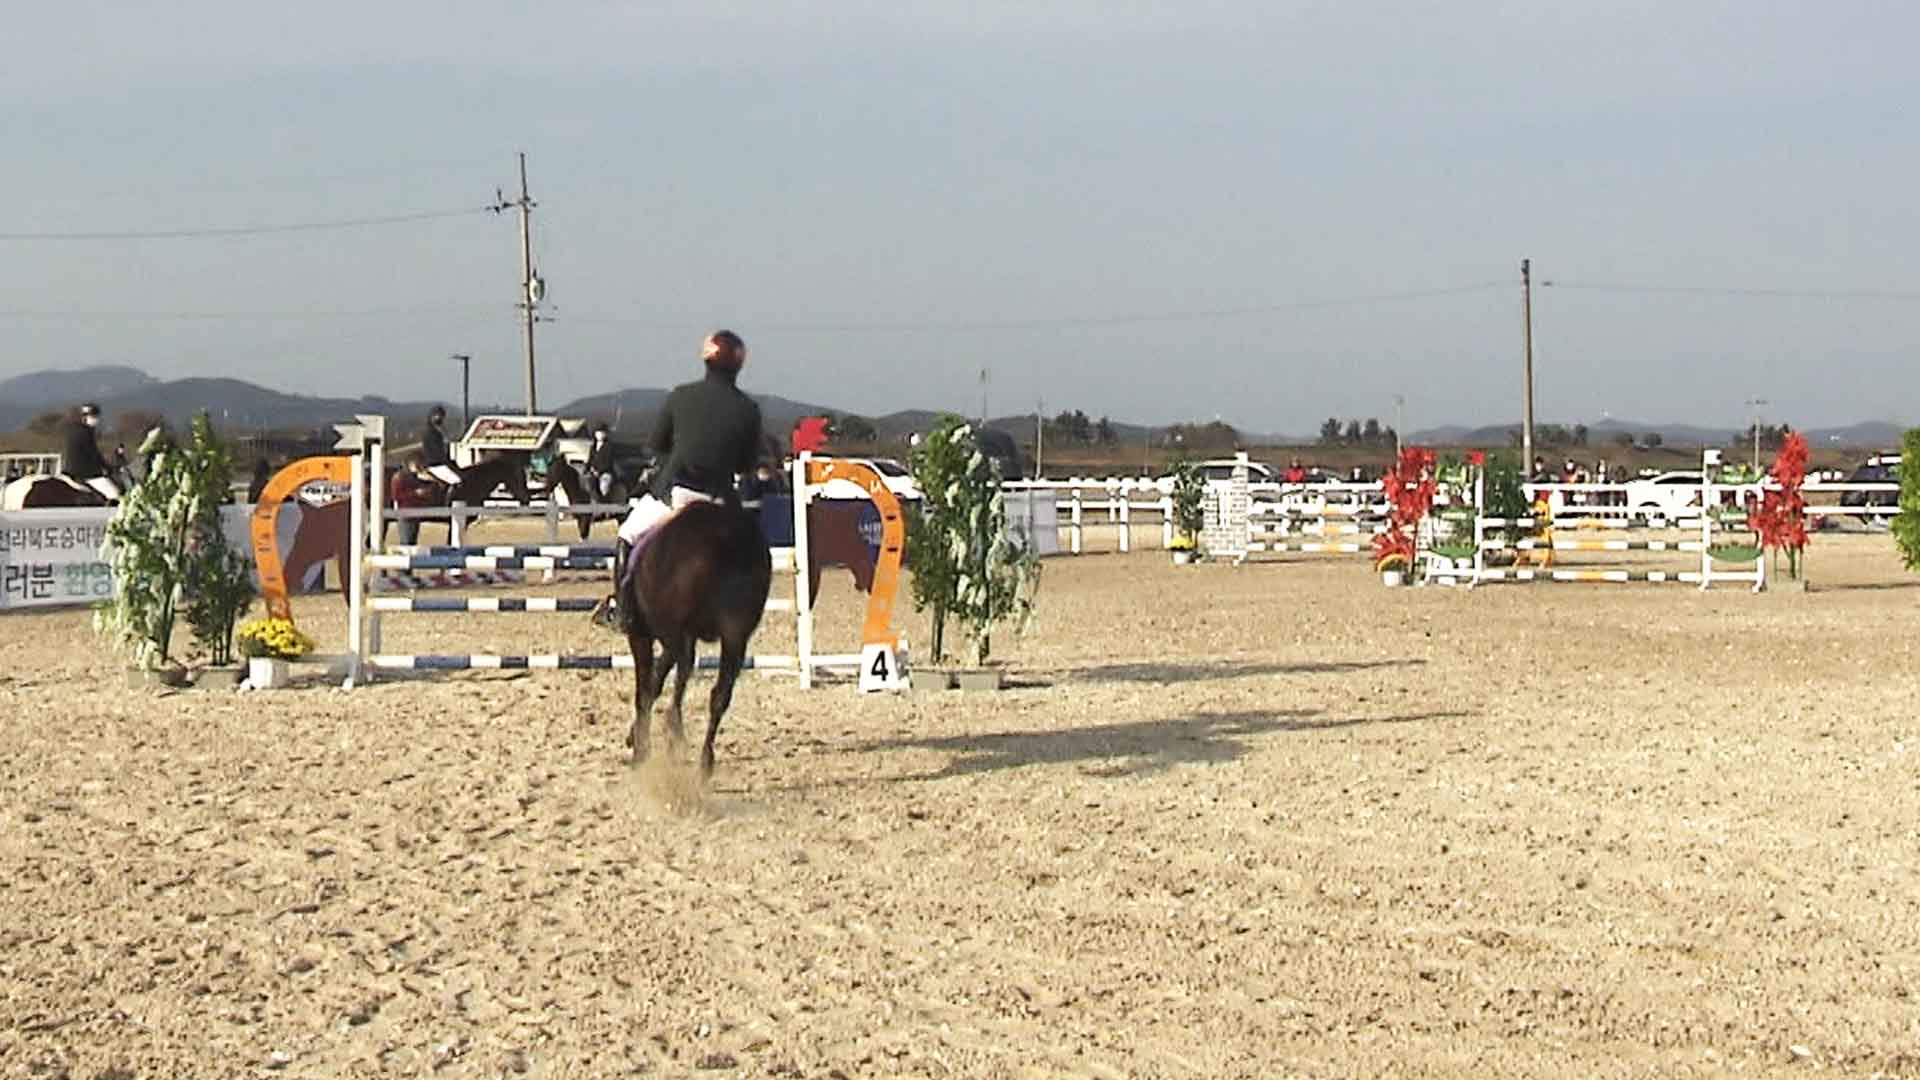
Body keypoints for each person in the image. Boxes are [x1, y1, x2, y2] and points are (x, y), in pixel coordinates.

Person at [609, 330, 765, 628]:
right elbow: (746, 463)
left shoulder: (680, 396)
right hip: (719, 499)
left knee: (626, 536)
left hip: (676, 492)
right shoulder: (749, 409)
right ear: (738, 364)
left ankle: (623, 610)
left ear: (706, 358)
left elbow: (657, 444)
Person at [62, 403, 121, 501]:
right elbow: (94, 454)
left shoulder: (74, 430)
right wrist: (107, 468)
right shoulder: (86, 433)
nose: (97, 420)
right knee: (115, 494)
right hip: (85, 473)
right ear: (85, 418)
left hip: (71, 470)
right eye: (94, 417)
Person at [420, 405, 461, 488]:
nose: (440, 418)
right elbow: (437, 451)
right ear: (432, 416)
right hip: (436, 464)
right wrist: (445, 460)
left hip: (440, 463)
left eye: (441, 416)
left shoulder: (438, 431)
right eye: (438, 415)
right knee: (457, 481)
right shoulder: (430, 432)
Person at [585, 422, 618, 499]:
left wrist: (599, 471)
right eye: (598, 432)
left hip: (606, 472)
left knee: (604, 485)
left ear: (605, 434)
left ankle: (605, 500)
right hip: (593, 472)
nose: (600, 434)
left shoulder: (609, 447)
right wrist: (587, 468)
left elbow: (608, 462)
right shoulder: (593, 447)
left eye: (602, 432)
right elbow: (590, 459)